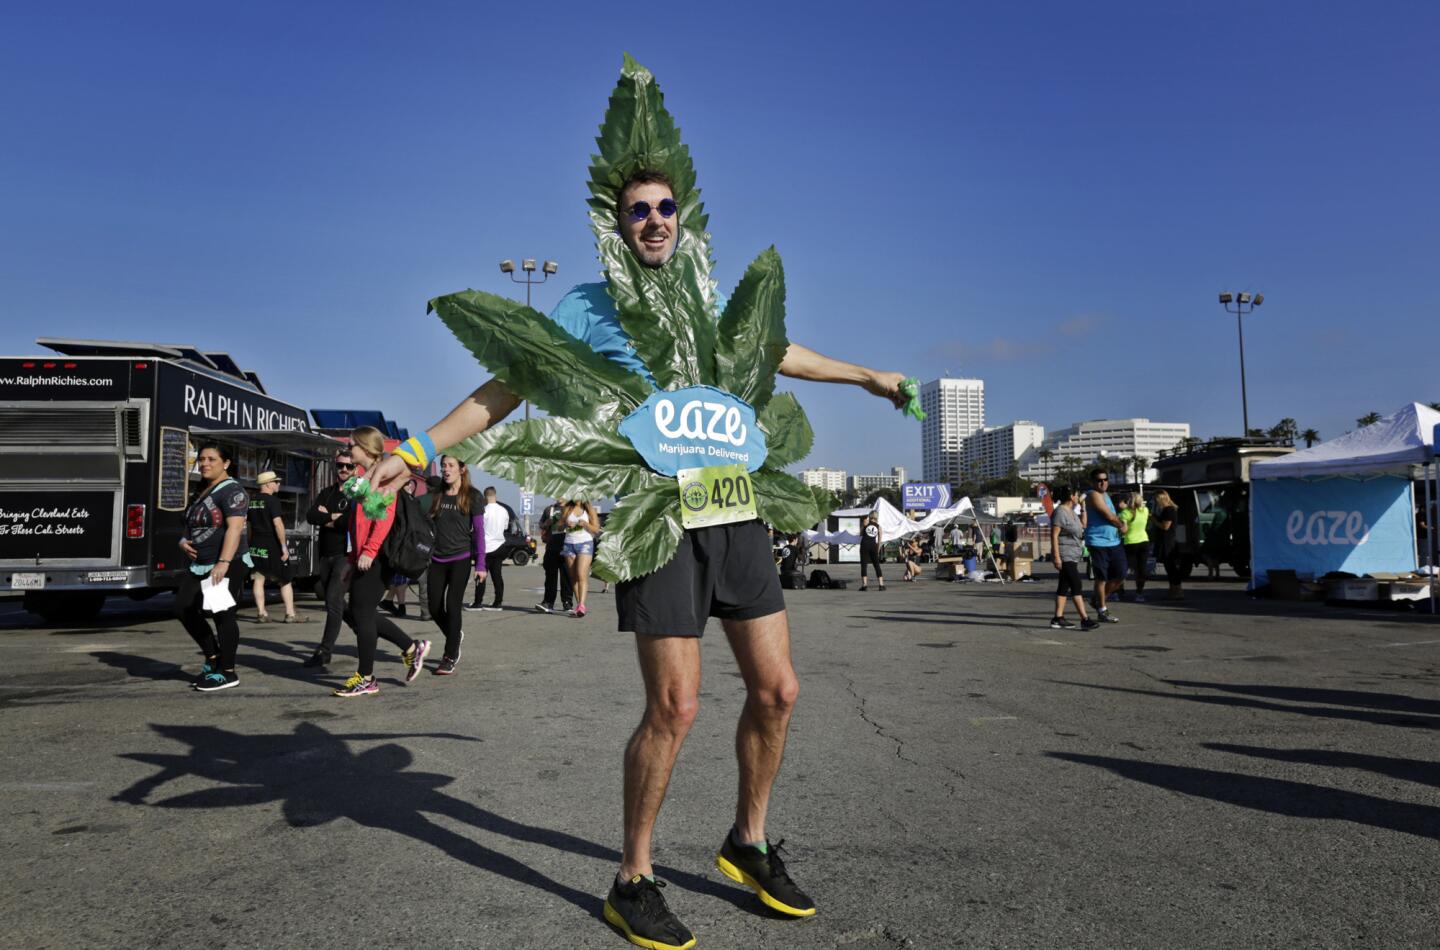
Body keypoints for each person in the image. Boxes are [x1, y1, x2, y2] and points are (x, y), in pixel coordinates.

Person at [366, 167, 908, 947]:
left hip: (736, 507)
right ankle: (633, 879)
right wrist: (417, 446)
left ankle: (747, 843)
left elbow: (777, 353)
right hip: (660, 517)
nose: (653, 220)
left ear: (680, 218)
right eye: (636, 211)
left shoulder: (708, 296)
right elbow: (510, 385)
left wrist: (867, 377)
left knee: (779, 690)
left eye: (663, 208)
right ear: (616, 225)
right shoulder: (589, 306)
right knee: (675, 708)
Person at [332, 426, 430, 698]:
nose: (348, 450)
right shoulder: (363, 476)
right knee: (357, 612)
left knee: (361, 612)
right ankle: (411, 647)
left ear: (364, 447)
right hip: (364, 555)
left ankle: (366, 677)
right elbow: (358, 523)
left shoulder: (384, 473)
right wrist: (353, 558)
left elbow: (383, 517)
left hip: (379, 556)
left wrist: (369, 551)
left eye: (351, 445)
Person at [176, 443, 251, 692]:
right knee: (183, 607)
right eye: (202, 459)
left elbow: (234, 528)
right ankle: (212, 657)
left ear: (226, 463)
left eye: (211, 459)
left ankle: (228, 672)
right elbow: (189, 525)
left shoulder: (232, 491)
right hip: (199, 563)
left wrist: (223, 562)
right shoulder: (202, 490)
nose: (205, 463)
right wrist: (183, 541)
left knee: (222, 615)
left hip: (225, 563)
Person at [426, 456, 486, 674]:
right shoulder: (437, 494)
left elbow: (479, 532)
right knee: (433, 607)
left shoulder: (473, 496)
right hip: (437, 559)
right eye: (443, 466)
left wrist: (481, 564)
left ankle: (450, 655)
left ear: (462, 469)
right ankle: (455, 634)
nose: (445, 469)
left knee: (453, 606)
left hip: (460, 558)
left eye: (450, 465)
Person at [302, 449, 355, 668]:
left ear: (355, 468)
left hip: (345, 556)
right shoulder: (327, 492)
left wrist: (328, 517)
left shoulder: (356, 493)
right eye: (340, 465)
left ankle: (324, 651)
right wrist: (333, 517)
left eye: (348, 466)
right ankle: (365, 628)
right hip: (325, 555)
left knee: (333, 601)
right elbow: (311, 515)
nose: (343, 469)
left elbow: (348, 522)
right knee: (331, 598)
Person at [247, 470, 305, 623]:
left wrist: (250, 543)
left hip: (256, 544)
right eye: (276, 481)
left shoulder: (252, 501)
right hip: (272, 544)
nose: (278, 484)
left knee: (258, 578)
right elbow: (277, 524)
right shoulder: (273, 501)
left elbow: (249, 526)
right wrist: (283, 546)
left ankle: (261, 613)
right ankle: (290, 614)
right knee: (285, 579)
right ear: (267, 484)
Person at [1048, 485, 1100, 630]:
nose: (1078, 497)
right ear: (1071, 496)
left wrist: (1083, 506)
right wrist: (1056, 556)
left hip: (1073, 554)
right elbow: (1054, 535)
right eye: (1077, 495)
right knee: (1076, 585)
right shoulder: (1060, 512)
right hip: (1065, 554)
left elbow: (1083, 525)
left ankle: (1058, 618)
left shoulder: (1071, 512)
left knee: (1064, 586)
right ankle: (1085, 618)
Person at [1084, 468, 1127, 623]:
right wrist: (1122, 525)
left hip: (1114, 541)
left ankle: (1098, 600)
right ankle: (1102, 609)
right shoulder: (1093, 495)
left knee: (1120, 575)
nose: (1103, 482)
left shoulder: (1105, 494)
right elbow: (1108, 516)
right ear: (1092, 482)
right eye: (1099, 480)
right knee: (1102, 578)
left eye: (1105, 479)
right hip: (1098, 542)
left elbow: (1113, 514)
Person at [469, 486, 514, 612]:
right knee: (497, 575)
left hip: (485, 546)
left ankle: (478, 602)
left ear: (484, 497)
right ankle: (498, 602)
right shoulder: (504, 510)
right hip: (500, 545)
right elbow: (505, 527)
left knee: (481, 574)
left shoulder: (483, 510)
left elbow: (476, 528)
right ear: (495, 495)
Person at [560, 499, 602, 618]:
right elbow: (558, 526)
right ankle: (579, 605)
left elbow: (596, 529)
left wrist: (585, 524)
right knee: (573, 577)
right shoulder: (567, 508)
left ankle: (582, 605)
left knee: (581, 575)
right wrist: (565, 525)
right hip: (569, 544)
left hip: (585, 543)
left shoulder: (589, 509)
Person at [535, 499, 575, 614]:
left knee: (567, 577)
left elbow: (579, 526)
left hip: (567, 547)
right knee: (550, 577)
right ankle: (548, 602)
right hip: (552, 547)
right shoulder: (549, 509)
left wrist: (570, 524)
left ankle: (567, 603)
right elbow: (541, 524)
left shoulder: (572, 509)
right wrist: (546, 524)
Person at [1152, 489, 1187, 601]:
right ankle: (1173, 589)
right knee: (1169, 567)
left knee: (1171, 567)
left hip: (1168, 541)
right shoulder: (1167, 510)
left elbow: (1165, 526)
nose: (1155, 501)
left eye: (1156, 499)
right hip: (1167, 540)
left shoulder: (1169, 510)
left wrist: (1153, 520)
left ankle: (1178, 590)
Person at [1120, 491, 1151, 603]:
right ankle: (1139, 593)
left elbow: (1124, 530)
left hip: (1130, 542)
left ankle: (1119, 591)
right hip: (1144, 541)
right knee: (1141, 569)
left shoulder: (1125, 513)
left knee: (1124, 568)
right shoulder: (1145, 511)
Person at [857, 512, 885, 591]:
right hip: (873, 546)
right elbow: (879, 541)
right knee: (877, 565)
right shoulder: (879, 527)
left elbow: (860, 534)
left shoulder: (866, 522)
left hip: (864, 545)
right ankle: (881, 585)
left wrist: (863, 525)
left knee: (864, 565)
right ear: (877, 517)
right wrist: (878, 549)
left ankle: (864, 585)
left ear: (870, 516)